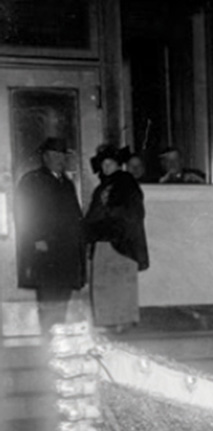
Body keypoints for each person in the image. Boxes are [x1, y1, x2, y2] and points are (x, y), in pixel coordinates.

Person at [15, 137, 86, 335]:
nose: (59, 160)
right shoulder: (32, 180)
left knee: (63, 297)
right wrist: (36, 238)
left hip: (66, 251)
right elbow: (24, 213)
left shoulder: (67, 184)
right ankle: (49, 340)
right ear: (45, 157)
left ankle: (59, 339)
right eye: (54, 155)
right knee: (48, 297)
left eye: (62, 156)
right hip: (45, 250)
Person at [84, 144, 150, 332]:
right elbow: (94, 213)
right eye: (103, 164)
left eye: (110, 164)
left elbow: (132, 212)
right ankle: (108, 320)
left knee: (119, 282)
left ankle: (121, 321)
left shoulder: (126, 182)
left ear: (118, 164)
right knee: (106, 283)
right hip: (104, 241)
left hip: (120, 242)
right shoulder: (102, 187)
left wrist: (107, 218)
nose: (106, 168)